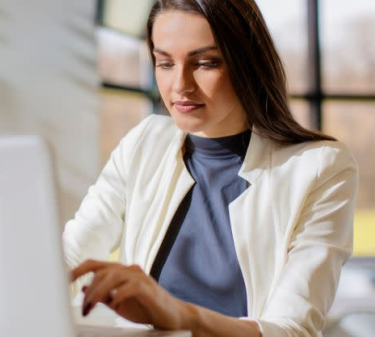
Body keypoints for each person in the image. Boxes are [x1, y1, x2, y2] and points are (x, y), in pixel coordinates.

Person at [64, 0, 359, 336]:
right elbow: (74, 251)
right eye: (164, 63)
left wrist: (178, 314)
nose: (179, 85)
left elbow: (292, 328)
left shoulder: (321, 168)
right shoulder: (144, 143)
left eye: (205, 63)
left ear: (246, 63)